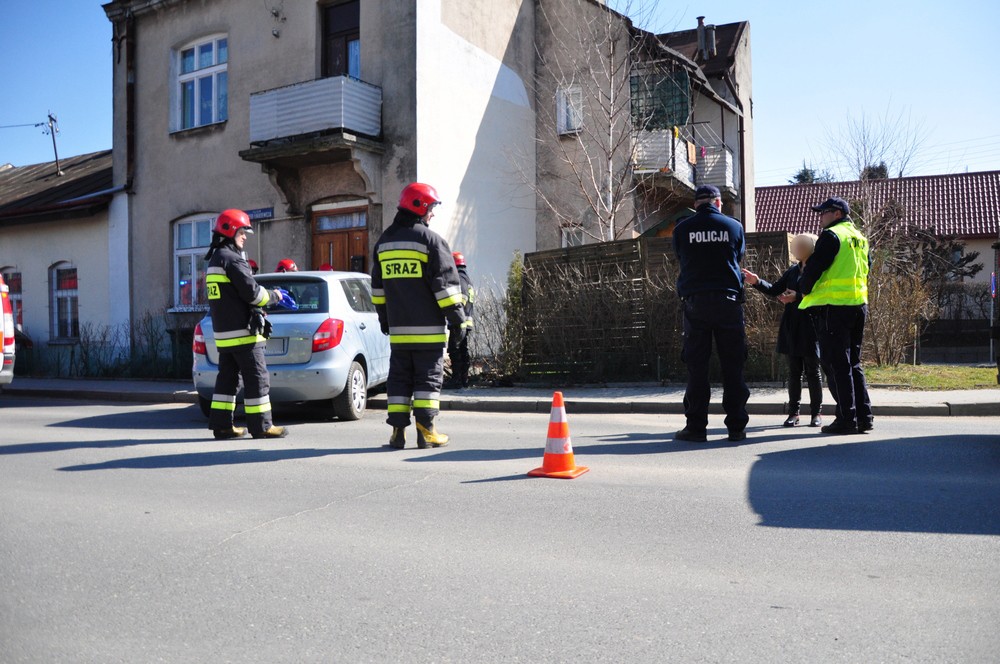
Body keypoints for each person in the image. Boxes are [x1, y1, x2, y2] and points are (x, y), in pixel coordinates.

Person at [371, 183, 466, 449]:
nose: (433, 214)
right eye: (431, 208)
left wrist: (384, 318)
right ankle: (427, 431)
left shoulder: (384, 242)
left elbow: (377, 289)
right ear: (419, 207)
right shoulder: (431, 241)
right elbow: (445, 285)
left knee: (399, 380)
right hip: (428, 330)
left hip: (399, 332)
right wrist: (457, 320)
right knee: (427, 380)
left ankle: (397, 433)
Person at [672, 184, 750, 443]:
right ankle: (736, 427)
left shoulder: (682, 228)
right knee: (733, 366)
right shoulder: (734, 227)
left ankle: (696, 427)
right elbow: (738, 257)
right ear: (718, 203)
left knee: (697, 367)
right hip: (728, 302)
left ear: (696, 204)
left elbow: (681, 257)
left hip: (696, 303)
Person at [204, 209, 288, 439]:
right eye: (243, 231)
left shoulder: (215, 259)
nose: (245, 236)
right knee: (257, 378)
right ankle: (262, 426)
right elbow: (253, 294)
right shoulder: (233, 259)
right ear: (231, 231)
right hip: (244, 334)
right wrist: (275, 296)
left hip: (225, 334)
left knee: (227, 379)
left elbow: (230, 296)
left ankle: (221, 426)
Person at [798, 197, 873, 435]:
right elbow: (867, 268)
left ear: (837, 213)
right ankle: (865, 417)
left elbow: (815, 267)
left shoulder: (831, 236)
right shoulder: (860, 238)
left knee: (838, 364)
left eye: (824, 213)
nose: (820, 217)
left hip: (835, 308)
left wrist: (802, 286)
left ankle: (846, 418)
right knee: (854, 363)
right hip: (858, 305)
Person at [743, 234, 823, 427]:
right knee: (794, 373)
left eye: (799, 246)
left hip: (811, 326)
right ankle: (793, 413)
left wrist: (797, 297)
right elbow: (775, 289)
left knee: (813, 372)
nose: (795, 249)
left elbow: (821, 296)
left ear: (809, 248)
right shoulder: (793, 271)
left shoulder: (818, 270)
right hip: (792, 326)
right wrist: (756, 281)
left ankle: (816, 414)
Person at [445, 251, 475, 389]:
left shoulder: (459, 279)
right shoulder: (466, 278)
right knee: (462, 350)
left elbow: (460, 300)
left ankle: (457, 380)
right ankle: (463, 380)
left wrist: (450, 311)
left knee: (454, 350)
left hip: (459, 322)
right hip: (466, 322)